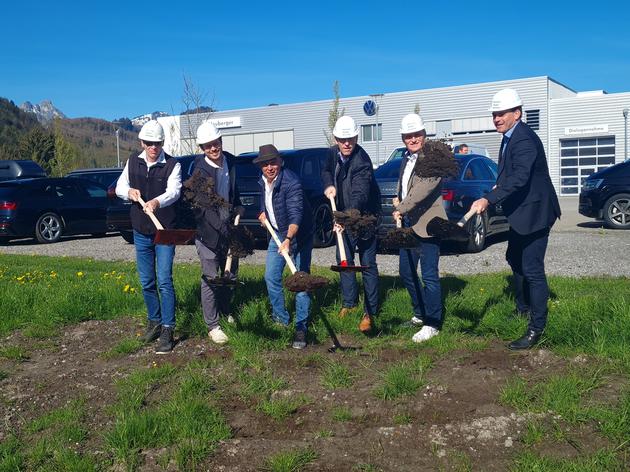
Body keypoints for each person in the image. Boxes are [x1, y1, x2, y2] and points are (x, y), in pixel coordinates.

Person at [470, 88, 561, 350]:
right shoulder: (510, 136)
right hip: (522, 212)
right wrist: (492, 196)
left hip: (536, 213)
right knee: (514, 257)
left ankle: (536, 328)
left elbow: (519, 178)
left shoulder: (523, 139)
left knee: (532, 269)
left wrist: (489, 199)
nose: (496, 118)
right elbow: (507, 177)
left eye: (501, 113)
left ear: (517, 113)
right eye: (494, 114)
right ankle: (523, 308)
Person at [116, 120, 182, 354]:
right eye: (149, 143)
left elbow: (174, 192)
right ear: (142, 142)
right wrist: (129, 192)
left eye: (158, 143)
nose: (154, 147)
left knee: (164, 280)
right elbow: (119, 187)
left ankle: (168, 327)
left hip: (164, 232)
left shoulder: (173, 165)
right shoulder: (132, 162)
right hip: (140, 231)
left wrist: (156, 201)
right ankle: (154, 322)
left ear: (163, 143)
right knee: (147, 281)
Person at [322, 116, 381, 333]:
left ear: (356, 137)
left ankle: (370, 311)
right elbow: (326, 170)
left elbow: (360, 195)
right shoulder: (331, 153)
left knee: (367, 263)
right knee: (344, 260)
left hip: (365, 217)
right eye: (342, 139)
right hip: (343, 216)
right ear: (336, 138)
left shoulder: (362, 162)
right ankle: (349, 302)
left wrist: (345, 219)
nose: (347, 143)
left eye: (351, 139)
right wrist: (328, 185)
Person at [393, 113, 446, 343]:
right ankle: (419, 313)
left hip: (429, 225)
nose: (413, 139)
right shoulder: (406, 158)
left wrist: (402, 207)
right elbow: (404, 185)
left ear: (424, 135)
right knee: (406, 272)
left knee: (430, 276)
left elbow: (423, 189)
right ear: (404, 138)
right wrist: (398, 199)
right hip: (408, 226)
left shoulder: (433, 159)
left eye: (417, 134)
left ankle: (433, 323)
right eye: (408, 136)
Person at [255, 144, 314, 349]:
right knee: (271, 276)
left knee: (301, 281)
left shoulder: (291, 182)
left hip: (299, 235)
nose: (270, 167)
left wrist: (288, 239)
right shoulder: (263, 182)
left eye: (273, 162)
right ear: (261, 166)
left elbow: (296, 213)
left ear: (280, 162)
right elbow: (268, 203)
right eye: (265, 164)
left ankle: (301, 326)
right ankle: (281, 318)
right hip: (278, 234)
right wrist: (263, 214)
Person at [190, 121, 242, 345]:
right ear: (202, 148)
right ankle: (212, 325)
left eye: (216, 143)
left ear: (221, 141)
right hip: (209, 233)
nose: (213, 148)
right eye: (208, 145)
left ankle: (226, 309)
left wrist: (239, 208)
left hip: (229, 226)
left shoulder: (230, 161)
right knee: (211, 278)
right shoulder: (199, 171)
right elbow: (204, 209)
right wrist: (224, 231)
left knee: (230, 275)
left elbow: (233, 193)